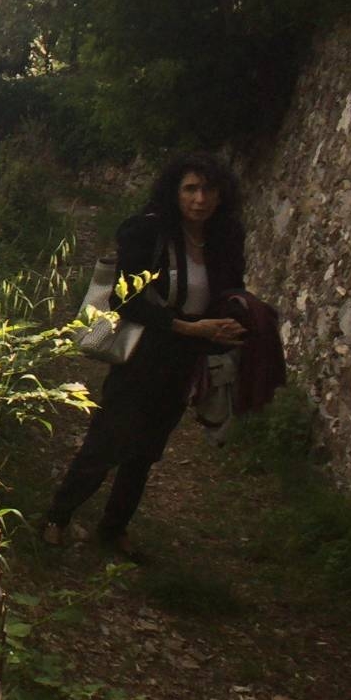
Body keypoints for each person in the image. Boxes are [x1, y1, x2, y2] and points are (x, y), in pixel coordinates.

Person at [42, 153, 249, 562]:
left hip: (186, 355)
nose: (200, 198)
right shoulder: (148, 231)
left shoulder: (225, 239)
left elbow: (229, 291)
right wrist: (187, 328)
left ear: (221, 195)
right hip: (144, 349)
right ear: (174, 192)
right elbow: (126, 298)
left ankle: (114, 528)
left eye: (208, 189)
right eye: (190, 188)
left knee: (148, 447)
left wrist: (231, 324)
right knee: (108, 438)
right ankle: (58, 517)